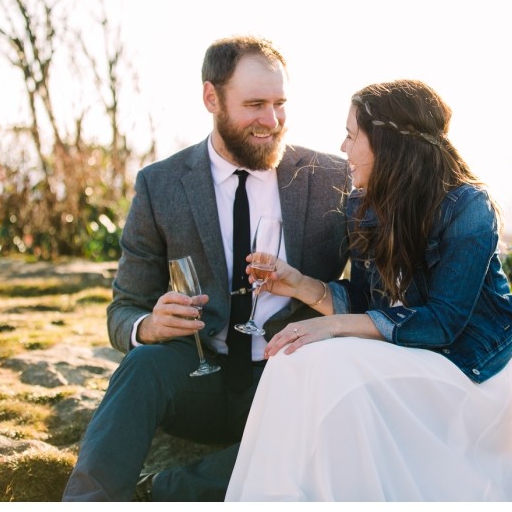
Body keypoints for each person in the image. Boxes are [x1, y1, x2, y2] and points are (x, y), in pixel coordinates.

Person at [224, 79, 512, 501]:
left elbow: (443, 324)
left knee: (330, 365)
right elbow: (365, 301)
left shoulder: (468, 207)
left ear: (387, 143)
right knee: (292, 359)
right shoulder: (364, 206)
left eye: (351, 135)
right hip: (404, 354)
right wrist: (298, 284)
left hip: (468, 370)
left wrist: (335, 327)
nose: (342, 147)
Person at [62, 35, 350, 501]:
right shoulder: (160, 186)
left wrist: (310, 292)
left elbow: (375, 288)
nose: (272, 121)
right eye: (254, 104)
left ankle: (163, 491)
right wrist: (148, 326)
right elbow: (123, 311)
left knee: (334, 425)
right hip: (198, 379)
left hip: (289, 386)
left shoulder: (333, 179)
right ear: (210, 97)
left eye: (280, 104)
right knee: (141, 367)